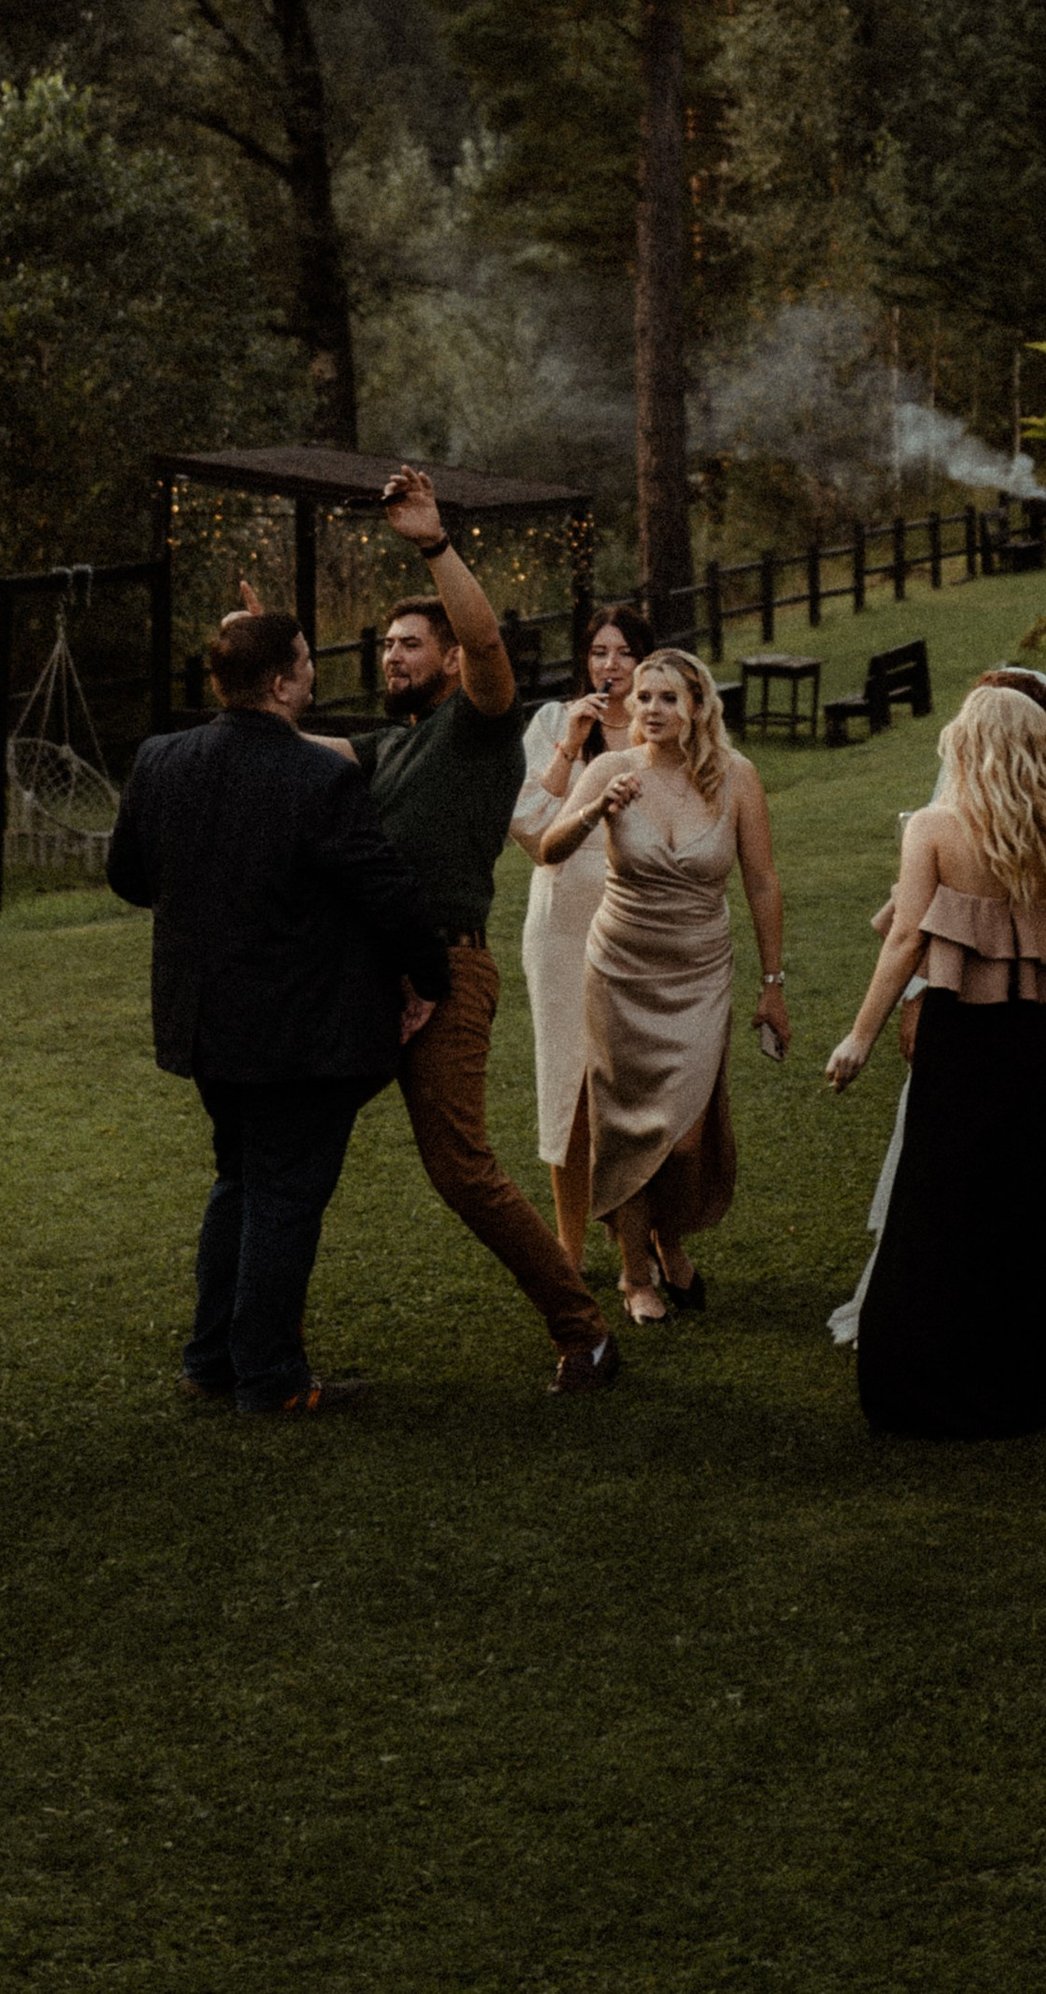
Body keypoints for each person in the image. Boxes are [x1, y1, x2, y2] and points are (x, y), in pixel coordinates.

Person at [106, 604, 449, 1418]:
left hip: (205, 1024)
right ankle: (267, 1378)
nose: (313, 673)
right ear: (279, 682)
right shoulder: (317, 776)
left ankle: (212, 1361)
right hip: (302, 1029)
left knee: (239, 1181)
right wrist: (429, 975)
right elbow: (385, 889)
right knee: (285, 1194)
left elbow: (127, 876)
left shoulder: (160, 760)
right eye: (305, 662)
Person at [332, 463, 621, 1397]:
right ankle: (259, 1352)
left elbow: (489, 642)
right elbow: (290, 748)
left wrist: (433, 543)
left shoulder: (479, 726)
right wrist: (249, 685)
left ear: (449, 658)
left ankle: (586, 1334)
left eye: (411, 644)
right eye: (384, 645)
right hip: (365, 976)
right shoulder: (386, 744)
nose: (392, 657)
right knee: (294, 1144)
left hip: (450, 975)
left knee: (460, 1169)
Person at [827, 664, 1046, 1361]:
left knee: (946, 1183)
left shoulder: (931, 826)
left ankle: (940, 1334)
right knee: (1029, 1187)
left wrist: (860, 1035)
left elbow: (902, 937)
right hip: (1035, 1026)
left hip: (961, 1025)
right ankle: (1030, 1344)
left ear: (966, 745)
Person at [540, 647, 788, 1325]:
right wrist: (596, 812)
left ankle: (668, 1237)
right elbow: (547, 846)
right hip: (620, 970)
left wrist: (773, 983)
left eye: (667, 698)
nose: (650, 710)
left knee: (682, 1137)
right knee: (623, 1127)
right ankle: (634, 1273)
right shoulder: (613, 769)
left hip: (701, 974)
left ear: (698, 707)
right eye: (642, 698)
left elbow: (762, 882)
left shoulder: (737, 778)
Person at [509, 602, 652, 1279]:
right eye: (599, 652)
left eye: (623, 652)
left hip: (640, 927)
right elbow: (534, 831)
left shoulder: (661, 729)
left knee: (632, 1090)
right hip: (563, 924)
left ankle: (642, 1242)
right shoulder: (550, 724)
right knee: (567, 1081)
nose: (610, 666)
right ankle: (567, 1243)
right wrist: (571, 742)